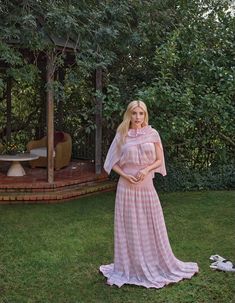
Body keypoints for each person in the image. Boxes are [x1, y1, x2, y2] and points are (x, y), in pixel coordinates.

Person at [99, 100, 199, 288]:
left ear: (146, 115)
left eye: (141, 113)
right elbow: (111, 162)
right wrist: (126, 175)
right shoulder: (122, 135)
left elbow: (159, 159)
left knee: (151, 224)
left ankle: (154, 262)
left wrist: (146, 170)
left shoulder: (153, 134)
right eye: (134, 113)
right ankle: (132, 266)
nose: (138, 117)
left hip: (146, 186)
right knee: (129, 227)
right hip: (126, 188)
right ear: (129, 115)